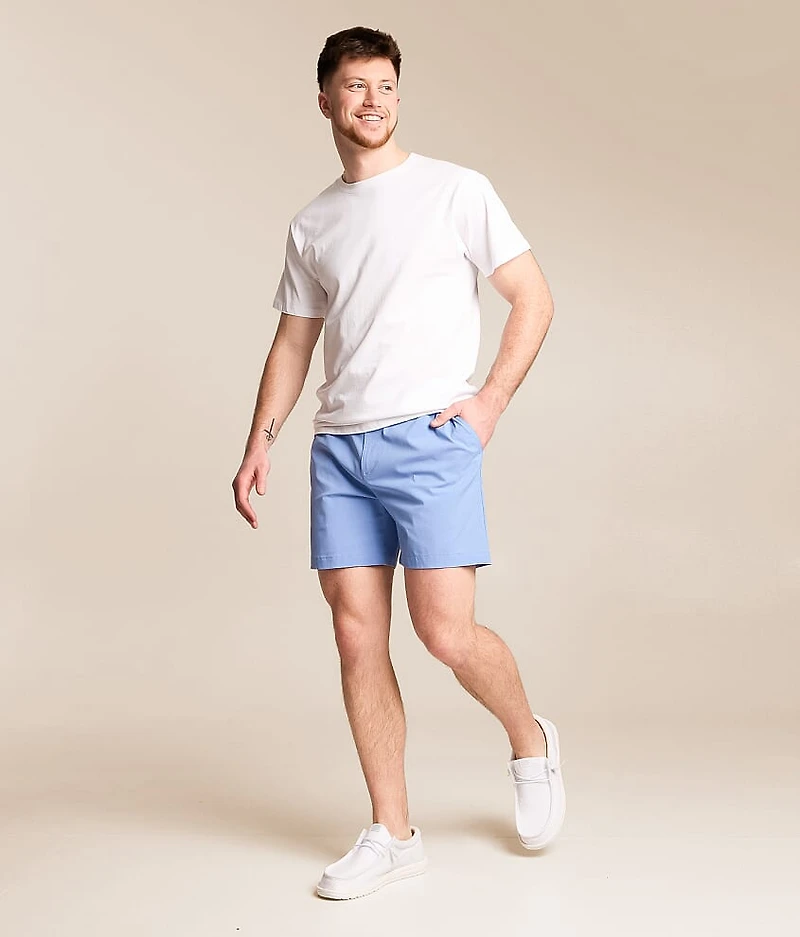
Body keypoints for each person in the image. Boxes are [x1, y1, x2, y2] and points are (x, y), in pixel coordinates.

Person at [232, 25, 564, 901]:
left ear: (398, 97)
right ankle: (393, 831)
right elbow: (294, 342)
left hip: (430, 439)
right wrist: (260, 440)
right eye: (355, 86)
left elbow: (533, 296)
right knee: (355, 637)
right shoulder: (313, 222)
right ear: (325, 101)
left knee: (445, 631)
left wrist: (488, 402)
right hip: (340, 449)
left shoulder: (456, 190)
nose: (372, 101)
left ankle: (530, 739)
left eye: (384, 86)